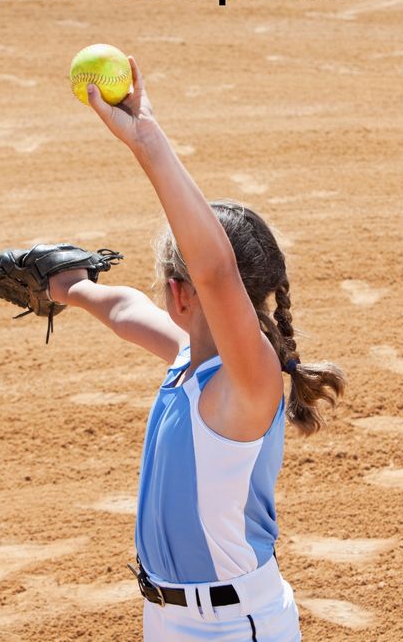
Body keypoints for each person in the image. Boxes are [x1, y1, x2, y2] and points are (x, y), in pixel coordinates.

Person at [48, 57, 345, 641]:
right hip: (166, 617)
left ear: (179, 290)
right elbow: (126, 310)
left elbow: (215, 271)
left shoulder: (250, 382)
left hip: (235, 627)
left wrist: (147, 142)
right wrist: (75, 288)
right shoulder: (192, 361)